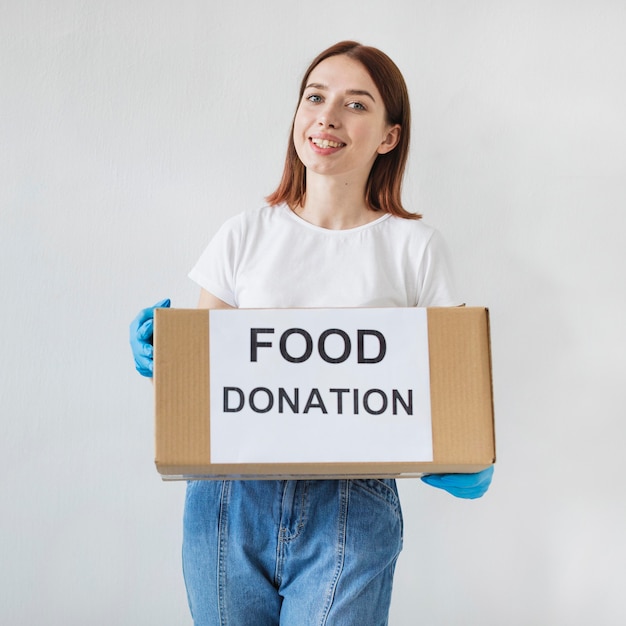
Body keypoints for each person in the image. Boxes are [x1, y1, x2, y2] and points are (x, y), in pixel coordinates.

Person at [130, 41, 493, 626]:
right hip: (228, 502)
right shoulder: (242, 234)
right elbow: (202, 393)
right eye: (315, 97)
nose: (327, 116)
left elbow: (448, 380)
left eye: (356, 104)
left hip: (352, 505)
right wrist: (165, 358)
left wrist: (463, 448)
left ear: (388, 136)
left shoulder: (414, 248)